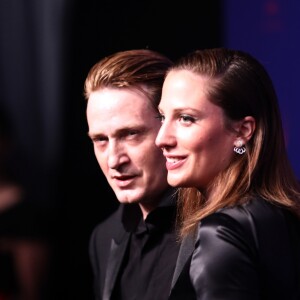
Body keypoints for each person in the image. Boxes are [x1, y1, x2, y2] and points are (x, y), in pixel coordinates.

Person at [155, 47, 300, 299]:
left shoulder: (223, 232)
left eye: (186, 118)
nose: (161, 139)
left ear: (243, 130)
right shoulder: (283, 217)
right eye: (162, 117)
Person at [84, 49, 181, 300]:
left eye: (130, 134)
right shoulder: (104, 237)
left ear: (171, 129)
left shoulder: (217, 229)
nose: (114, 160)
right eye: (100, 140)